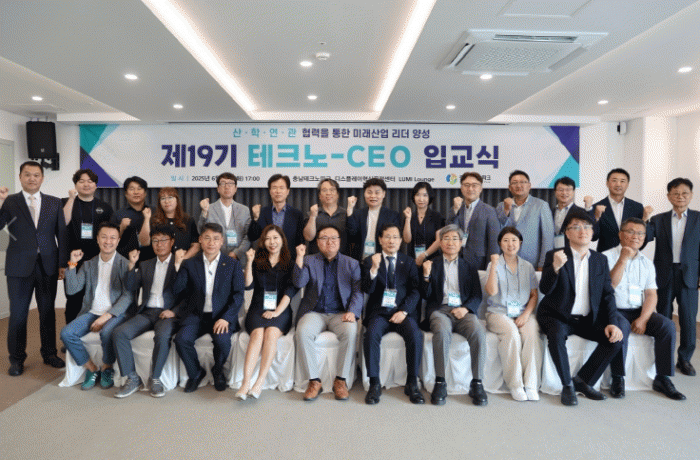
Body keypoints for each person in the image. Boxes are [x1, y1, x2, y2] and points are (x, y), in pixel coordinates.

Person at [537, 209, 630, 406]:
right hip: (557, 315)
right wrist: (555, 268)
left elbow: (607, 294)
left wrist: (612, 322)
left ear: (593, 232)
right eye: (576, 227)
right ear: (567, 232)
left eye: (587, 226)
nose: (583, 231)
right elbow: (545, 289)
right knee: (556, 335)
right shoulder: (555, 255)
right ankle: (567, 386)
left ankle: (583, 381)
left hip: (587, 319)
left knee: (615, 339)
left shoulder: (600, 260)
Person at [603, 218, 686, 399]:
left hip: (638, 310)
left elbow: (651, 294)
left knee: (668, 326)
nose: (636, 236)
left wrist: (643, 318)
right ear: (620, 234)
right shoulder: (605, 257)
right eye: (631, 231)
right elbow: (609, 286)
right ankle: (618, 377)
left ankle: (662, 377)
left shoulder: (647, 263)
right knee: (621, 328)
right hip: (613, 310)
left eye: (641, 233)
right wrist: (623, 259)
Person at [0, 161, 67, 376]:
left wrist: (62, 264)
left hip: (47, 265)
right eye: (27, 174)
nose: (32, 178)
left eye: (36, 175)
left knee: (47, 313)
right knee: (18, 315)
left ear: (42, 178)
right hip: (18, 267)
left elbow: (61, 234)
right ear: (20, 177)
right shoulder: (9, 202)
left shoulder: (54, 202)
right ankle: (17, 359)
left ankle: (49, 353)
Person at [112, 225, 184, 398]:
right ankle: (132, 378)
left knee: (162, 336)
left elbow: (187, 294)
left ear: (172, 242)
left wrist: (174, 312)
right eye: (155, 241)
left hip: (168, 314)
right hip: (147, 312)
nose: (159, 244)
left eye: (163, 240)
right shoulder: (145, 265)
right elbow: (130, 286)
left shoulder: (180, 263)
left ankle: (156, 378)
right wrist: (131, 265)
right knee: (119, 333)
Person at [172, 223, 245, 393]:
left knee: (223, 341)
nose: (211, 243)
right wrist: (178, 264)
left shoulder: (232, 264)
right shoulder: (190, 263)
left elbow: (238, 295)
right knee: (181, 339)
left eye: (216, 239)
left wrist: (226, 318)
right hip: (196, 315)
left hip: (221, 315)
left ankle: (218, 371)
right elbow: (177, 290)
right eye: (207, 238)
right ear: (200, 240)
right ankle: (196, 373)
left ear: (222, 241)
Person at [293, 224, 363, 401]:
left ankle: (340, 380)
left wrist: (353, 312)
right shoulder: (309, 260)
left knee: (350, 330)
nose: (329, 242)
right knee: (302, 332)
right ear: (317, 242)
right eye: (324, 238)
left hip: (340, 313)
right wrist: (299, 258)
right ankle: (314, 381)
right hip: (314, 312)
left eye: (333, 238)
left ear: (339, 241)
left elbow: (358, 292)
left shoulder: (351, 263)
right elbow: (299, 283)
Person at [60, 222, 132, 390]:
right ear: (98, 240)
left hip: (115, 313)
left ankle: (107, 367)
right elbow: (72, 289)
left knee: (107, 332)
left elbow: (128, 296)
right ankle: (92, 368)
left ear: (118, 241)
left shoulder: (124, 264)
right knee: (66, 333)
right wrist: (72, 264)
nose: (108, 241)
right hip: (92, 312)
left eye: (112, 238)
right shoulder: (89, 264)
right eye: (104, 237)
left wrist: (106, 316)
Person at [421, 224, 486, 406]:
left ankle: (477, 383)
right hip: (440, 310)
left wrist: (465, 309)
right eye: (446, 238)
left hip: (463, 311)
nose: (450, 242)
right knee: (442, 331)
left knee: (478, 331)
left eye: (454, 239)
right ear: (440, 242)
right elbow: (425, 295)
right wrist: (426, 276)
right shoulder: (432, 264)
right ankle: (440, 381)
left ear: (461, 242)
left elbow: (476, 295)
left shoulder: (469, 266)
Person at [362, 224, 423, 405]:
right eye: (387, 237)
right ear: (380, 240)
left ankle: (412, 382)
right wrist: (374, 269)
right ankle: (374, 383)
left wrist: (404, 311)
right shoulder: (370, 261)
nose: (392, 241)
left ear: (401, 240)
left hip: (402, 312)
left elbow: (416, 291)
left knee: (415, 335)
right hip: (379, 313)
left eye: (395, 237)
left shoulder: (409, 262)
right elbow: (366, 289)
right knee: (371, 334)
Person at [236, 225, 298, 400]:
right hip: (257, 307)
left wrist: (276, 312)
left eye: (275, 238)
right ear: (263, 242)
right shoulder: (258, 261)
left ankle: (259, 382)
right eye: (268, 238)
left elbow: (290, 292)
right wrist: (249, 262)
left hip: (281, 309)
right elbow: (248, 285)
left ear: (282, 240)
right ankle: (245, 383)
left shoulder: (290, 263)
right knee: (257, 335)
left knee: (271, 334)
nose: (272, 242)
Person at [646, 178, 699, 376]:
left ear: (691, 195)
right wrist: (645, 218)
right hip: (664, 274)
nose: (680, 197)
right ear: (669, 196)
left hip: (690, 275)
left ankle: (684, 359)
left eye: (685, 193)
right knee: (664, 318)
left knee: (688, 319)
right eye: (676, 193)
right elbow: (644, 239)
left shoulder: (698, 219)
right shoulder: (658, 219)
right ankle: (664, 357)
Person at [484, 227, 541, 401]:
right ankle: (515, 385)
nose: (510, 244)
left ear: (520, 243)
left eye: (514, 240)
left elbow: (533, 295)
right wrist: (494, 265)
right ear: (500, 244)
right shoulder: (493, 264)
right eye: (506, 240)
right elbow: (491, 291)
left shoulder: (527, 266)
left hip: (523, 312)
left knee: (532, 334)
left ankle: (531, 384)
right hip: (498, 313)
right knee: (512, 334)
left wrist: (526, 315)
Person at [62, 168, 114, 325]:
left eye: (90, 181)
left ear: (96, 185)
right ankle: (71, 333)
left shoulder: (105, 207)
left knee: (96, 297)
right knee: (73, 298)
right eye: (81, 181)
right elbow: (62, 222)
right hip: (73, 260)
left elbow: (111, 234)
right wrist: (72, 199)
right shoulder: (65, 202)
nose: (86, 184)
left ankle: (92, 330)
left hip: (97, 260)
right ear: (75, 184)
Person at [584, 168, 653, 253]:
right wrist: (596, 217)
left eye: (622, 181)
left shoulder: (637, 207)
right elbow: (593, 237)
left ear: (627, 184)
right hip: (606, 256)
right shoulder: (597, 207)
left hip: (630, 255)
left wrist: (645, 219)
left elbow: (643, 237)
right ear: (607, 183)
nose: (618, 184)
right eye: (614, 180)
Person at [496, 170, 554, 270]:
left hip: (532, 263)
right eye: (514, 183)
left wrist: (543, 264)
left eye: (523, 182)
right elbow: (497, 232)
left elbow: (548, 238)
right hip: (505, 262)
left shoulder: (541, 205)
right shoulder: (501, 206)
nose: (519, 185)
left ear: (529, 185)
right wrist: (506, 211)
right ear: (509, 187)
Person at [449, 172, 500, 270]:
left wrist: (491, 267)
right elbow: (449, 231)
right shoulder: (456, 209)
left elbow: (494, 242)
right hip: (457, 260)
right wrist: (455, 210)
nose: (470, 189)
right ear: (461, 188)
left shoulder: (489, 211)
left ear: (480, 188)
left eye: (474, 185)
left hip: (479, 263)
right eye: (466, 185)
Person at [198, 172, 251, 265]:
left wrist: (236, 253)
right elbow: (201, 231)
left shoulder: (244, 210)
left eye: (230, 184)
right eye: (223, 183)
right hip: (213, 258)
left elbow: (249, 236)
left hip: (238, 260)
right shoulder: (209, 208)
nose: (227, 187)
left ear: (235, 189)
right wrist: (204, 212)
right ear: (218, 189)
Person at [247, 174, 304, 259]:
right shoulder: (262, 212)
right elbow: (252, 237)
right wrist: (255, 218)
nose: (278, 191)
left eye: (281, 188)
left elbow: (300, 242)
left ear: (288, 191)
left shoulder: (296, 214)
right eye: (274, 188)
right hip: (265, 260)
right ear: (270, 191)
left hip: (289, 260)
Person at [346, 178, 400, 261]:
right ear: (364, 194)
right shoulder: (358, 213)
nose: (373, 196)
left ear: (384, 194)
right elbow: (351, 236)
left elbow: (395, 240)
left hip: (382, 261)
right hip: (360, 260)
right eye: (369, 192)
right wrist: (350, 210)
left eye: (377, 193)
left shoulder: (392, 215)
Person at [139, 187, 200, 260]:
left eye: (170, 197)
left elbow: (196, 245)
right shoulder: (153, 220)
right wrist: (146, 219)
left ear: (177, 200)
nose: (167, 201)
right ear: (159, 203)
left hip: (183, 263)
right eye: (163, 198)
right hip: (159, 263)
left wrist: (183, 259)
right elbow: (144, 242)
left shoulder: (188, 220)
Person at [112, 176, 154, 263]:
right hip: (125, 261)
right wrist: (121, 227)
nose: (136, 192)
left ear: (145, 193)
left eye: (139, 188)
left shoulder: (155, 212)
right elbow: (110, 240)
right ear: (126, 194)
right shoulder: (118, 214)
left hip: (151, 261)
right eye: (132, 189)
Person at [402, 181, 444, 265]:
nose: (421, 199)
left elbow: (439, 241)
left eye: (425, 195)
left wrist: (424, 255)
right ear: (414, 197)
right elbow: (407, 240)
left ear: (429, 197)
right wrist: (408, 219)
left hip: (432, 261)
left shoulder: (437, 216)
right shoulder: (409, 216)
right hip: (413, 260)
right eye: (418, 195)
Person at [303, 178, 349, 255]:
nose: (328, 193)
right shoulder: (311, 214)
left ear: (338, 194)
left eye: (332, 190)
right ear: (319, 195)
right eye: (324, 190)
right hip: (316, 259)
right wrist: (313, 217)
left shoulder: (346, 214)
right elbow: (308, 237)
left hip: (342, 259)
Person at [552, 176, 583, 246]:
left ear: (573, 192)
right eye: (561, 190)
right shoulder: (549, 212)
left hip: (572, 249)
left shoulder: (581, 212)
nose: (564, 193)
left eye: (568, 190)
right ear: (555, 192)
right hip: (552, 249)